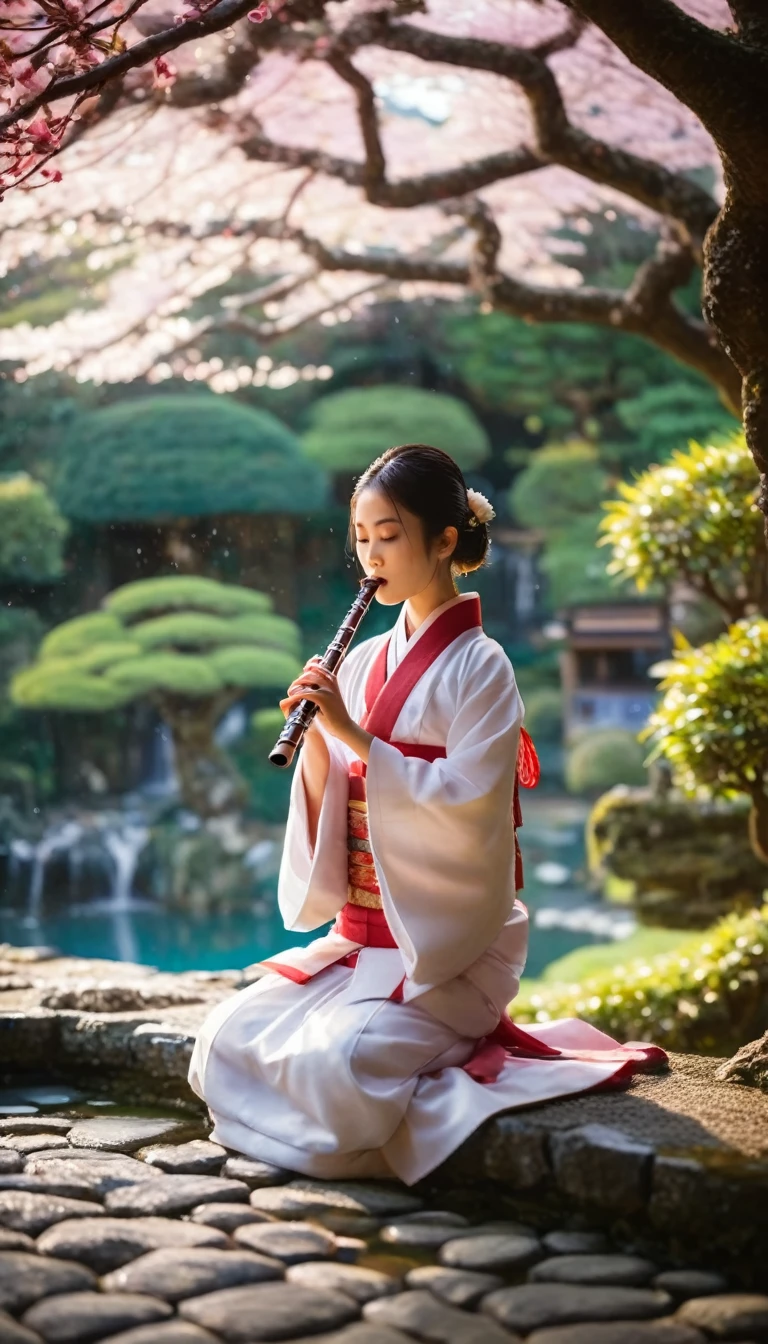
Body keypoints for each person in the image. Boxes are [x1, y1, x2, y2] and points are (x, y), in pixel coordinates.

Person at [188, 443, 666, 1185]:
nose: (370, 555)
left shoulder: (484, 666)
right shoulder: (360, 659)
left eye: (389, 536)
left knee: (341, 1064)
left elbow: (469, 805)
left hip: (445, 950)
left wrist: (350, 736)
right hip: (360, 941)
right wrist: (317, 747)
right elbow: (340, 787)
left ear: (445, 541)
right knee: (224, 1037)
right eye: (361, 537)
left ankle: (443, 1049)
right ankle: (351, 1111)